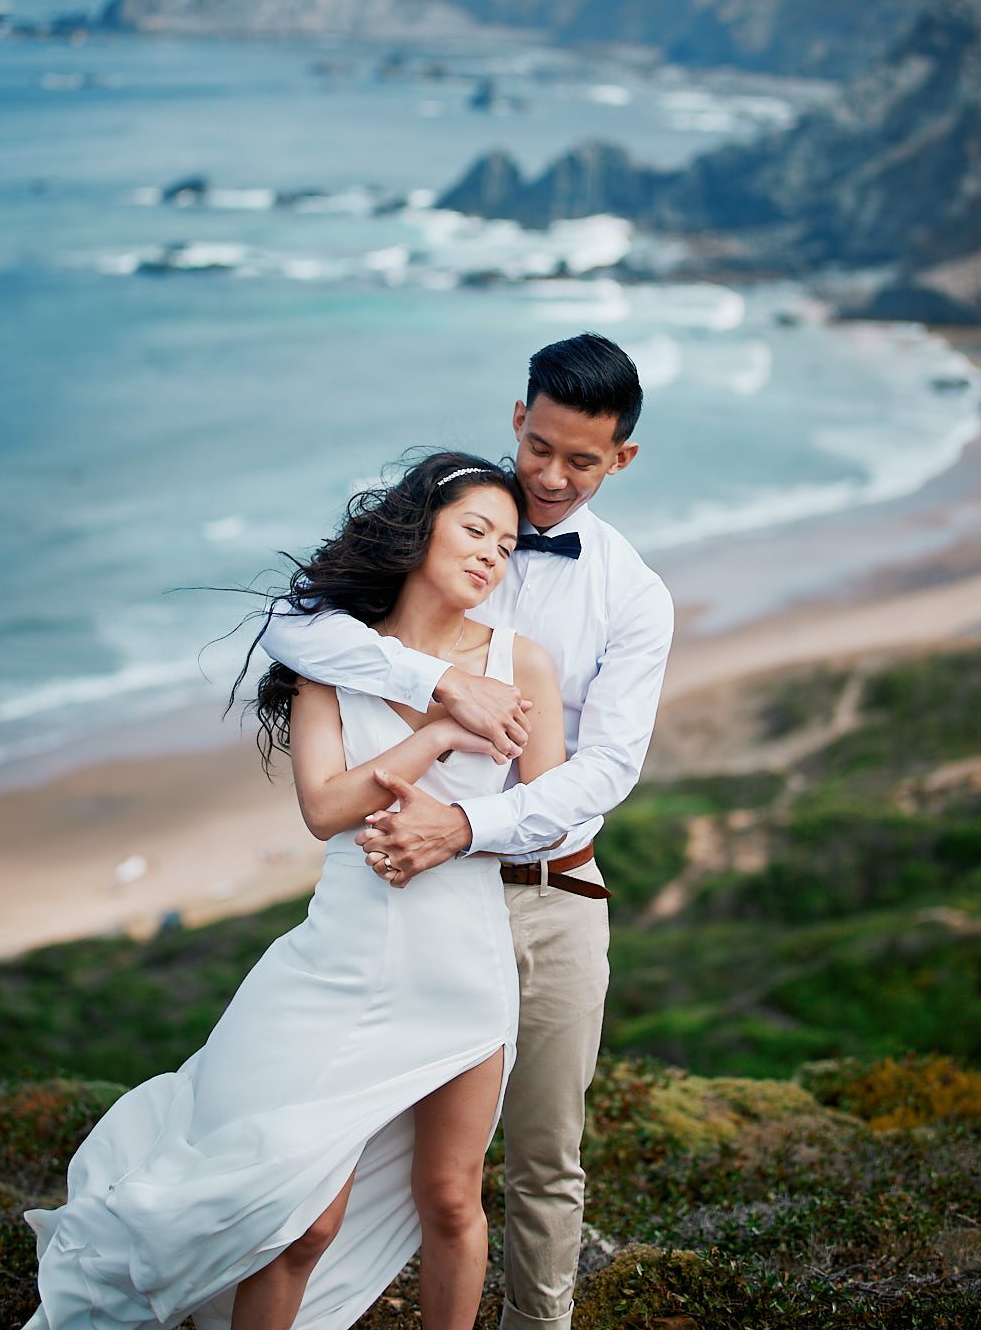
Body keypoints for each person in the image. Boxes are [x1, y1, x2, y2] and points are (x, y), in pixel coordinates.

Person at [23, 452, 567, 1330]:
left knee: (454, 1204)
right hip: (340, 960)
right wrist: (434, 734)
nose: (488, 557)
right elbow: (325, 808)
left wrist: (455, 832)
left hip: (460, 968)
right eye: (474, 531)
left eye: (505, 547)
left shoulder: (522, 664)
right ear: (416, 527)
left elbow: (552, 813)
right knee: (299, 1221)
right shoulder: (333, 653)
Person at [262, 332, 674, 1330]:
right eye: (538, 445)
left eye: (582, 460)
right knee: (350, 1157)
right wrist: (434, 679)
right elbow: (292, 622)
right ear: (515, 419)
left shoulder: (631, 595)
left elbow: (606, 769)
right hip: (407, 904)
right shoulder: (456, 521)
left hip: (548, 898)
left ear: (621, 459)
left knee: (540, 1157)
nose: (551, 476)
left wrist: (467, 825)